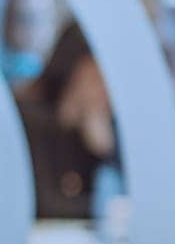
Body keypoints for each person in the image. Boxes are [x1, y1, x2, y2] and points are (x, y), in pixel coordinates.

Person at [16, 21, 117, 220]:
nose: (106, 89)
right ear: (72, 67)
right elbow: (45, 207)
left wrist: (102, 152)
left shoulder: (98, 130)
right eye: (97, 76)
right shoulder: (27, 121)